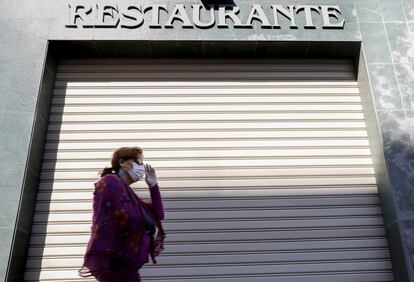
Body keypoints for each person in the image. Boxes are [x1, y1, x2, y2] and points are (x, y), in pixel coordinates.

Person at [78, 146, 166, 282]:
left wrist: (153, 186)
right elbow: (124, 216)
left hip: (128, 263)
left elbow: (158, 215)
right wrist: (146, 227)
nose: (141, 167)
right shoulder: (110, 181)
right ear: (122, 163)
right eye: (138, 161)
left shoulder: (131, 197)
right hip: (115, 260)